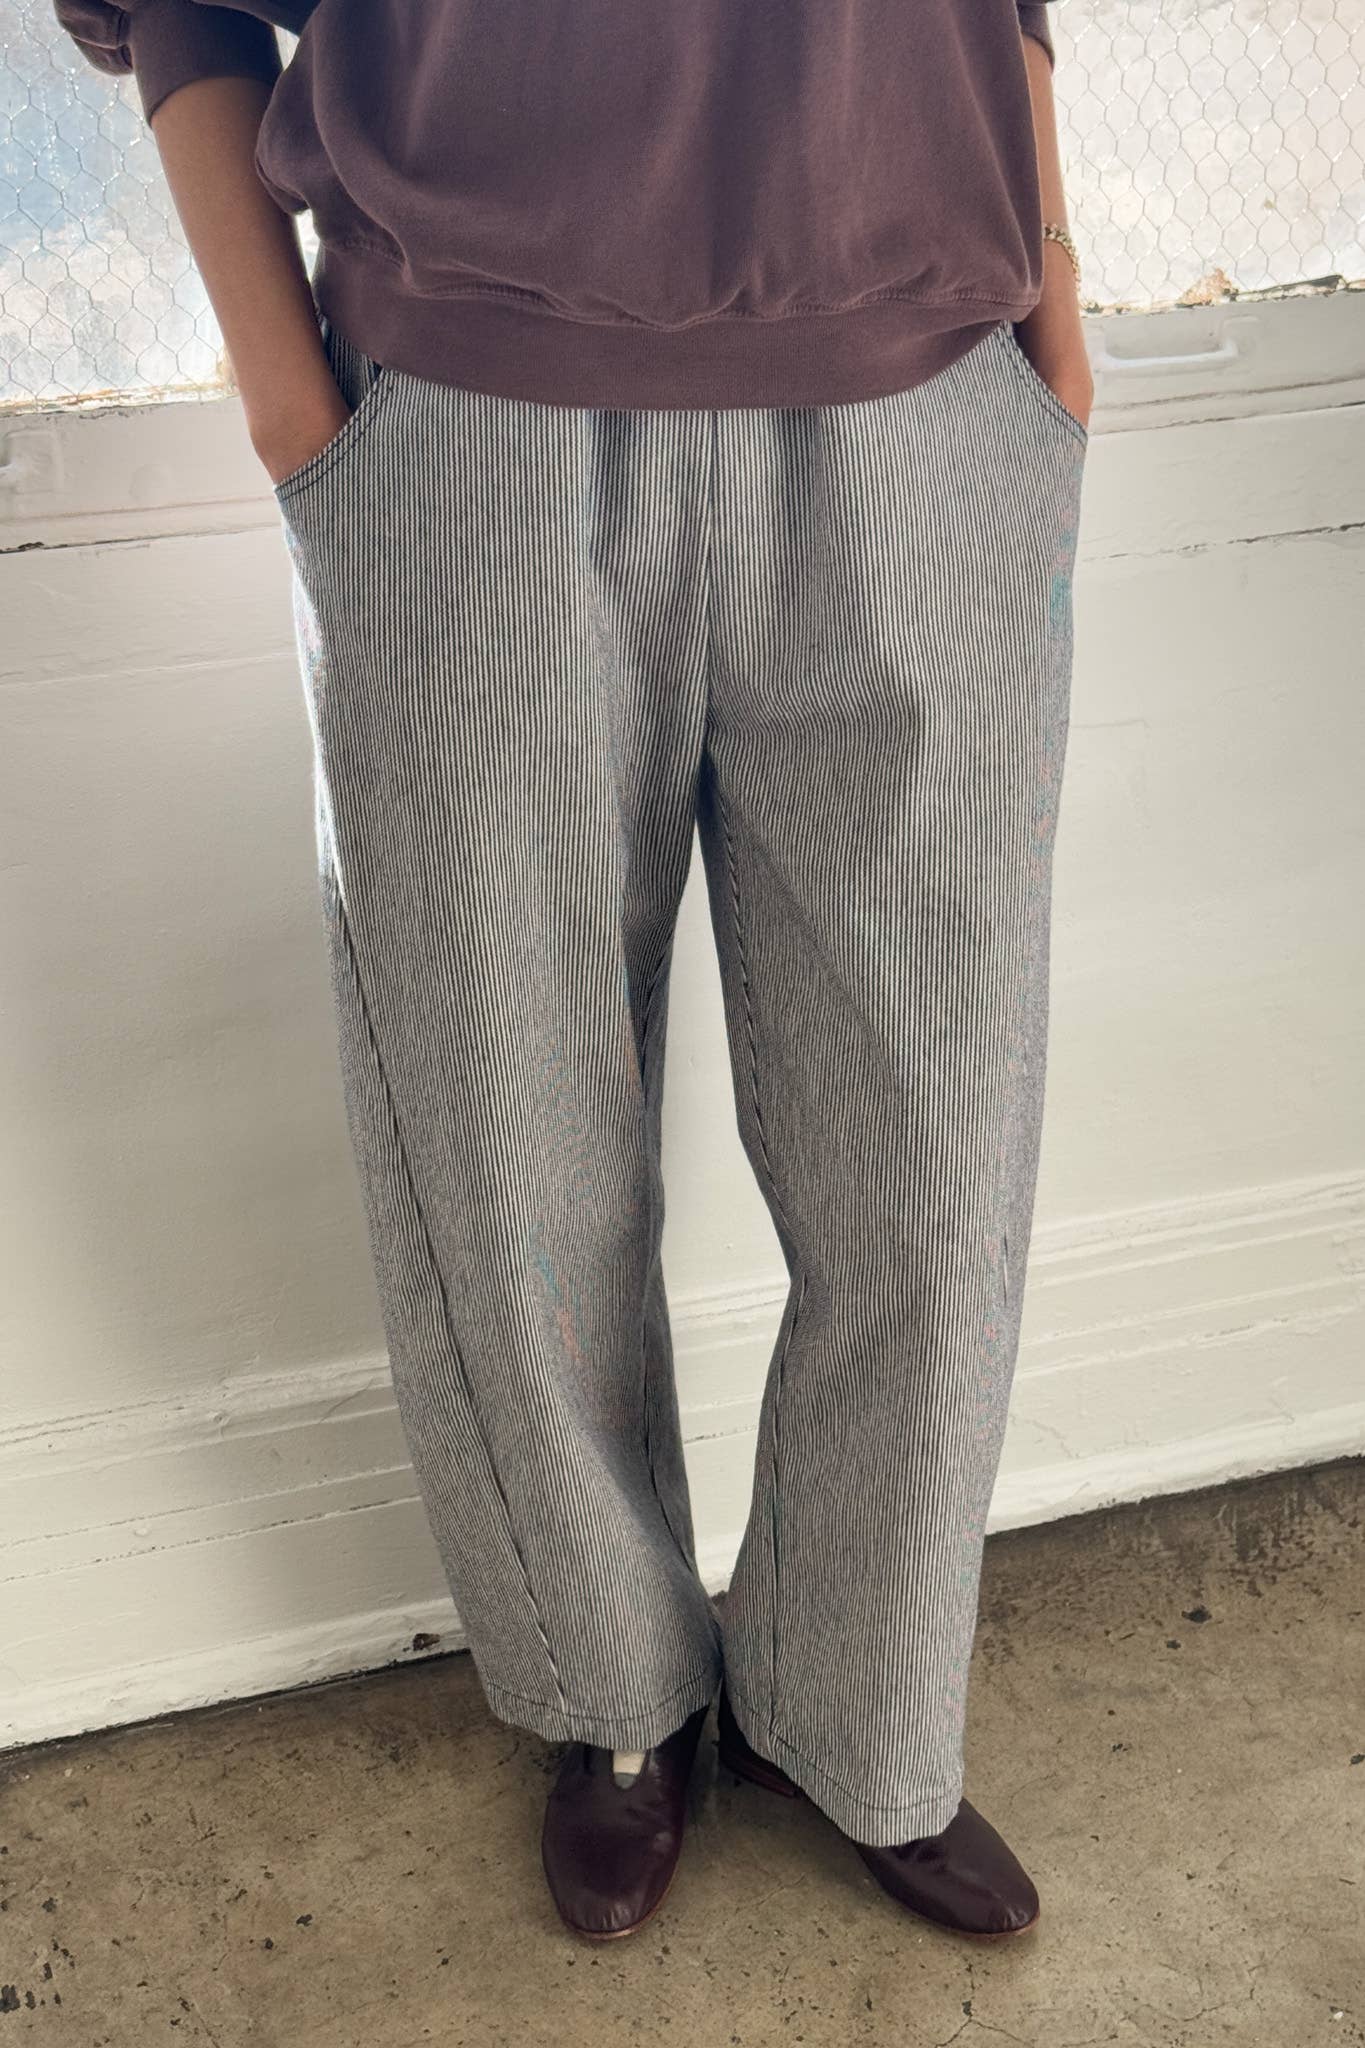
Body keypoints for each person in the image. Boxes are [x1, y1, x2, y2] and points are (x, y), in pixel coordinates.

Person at [55, 0, 1093, 1945]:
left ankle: (854, 1714)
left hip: (929, 391)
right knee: (507, 1145)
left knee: (936, 1157)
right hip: (471, 417)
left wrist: (1056, 316)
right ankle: (613, 1695)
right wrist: (292, 400)